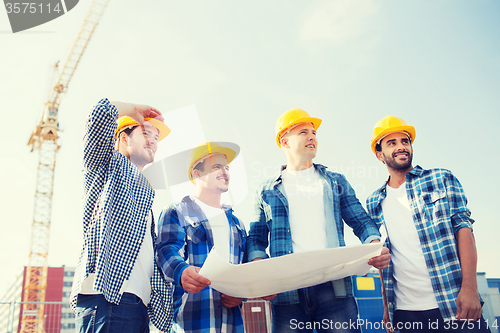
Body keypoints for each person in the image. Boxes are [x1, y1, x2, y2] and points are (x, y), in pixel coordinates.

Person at [246, 108, 391, 333]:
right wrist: (260, 269)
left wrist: (374, 244)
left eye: (314, 132)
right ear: (284, 141)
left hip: (334, 289)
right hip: (287, 293)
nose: (312, 136)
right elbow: (256, 238)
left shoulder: (335, 181)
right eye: (303, 132)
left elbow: (361, 221)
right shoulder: (266, 190)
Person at [366, 115, 490, 333]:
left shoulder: (441, 178)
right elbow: (384, 257)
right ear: (379, 154)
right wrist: (387, 307)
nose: (401, 147)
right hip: (406, 313)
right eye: (391, 143)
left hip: (455, 302)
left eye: (405, 141)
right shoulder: (375, 201)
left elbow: (464, 229)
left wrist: (470, 288)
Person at [70, 98, 173, 333]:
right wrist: (134, 111)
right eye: (147, 134)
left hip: (137, 305)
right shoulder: (104, 168)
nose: (154, 143)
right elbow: (98, 114)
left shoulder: (145, 191)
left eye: (156, 139)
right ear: (124, 139)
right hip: (107, 299)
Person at [156, 142, 247, 333]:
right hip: (191, 323)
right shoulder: (177, 212)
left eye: (227, 167)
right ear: (197, 173)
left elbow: (244, 270)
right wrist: (181, 271)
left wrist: (241, 294)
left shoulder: (236, 223)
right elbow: (167, 249)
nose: (225, 172)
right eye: (216, 167)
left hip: (233, 324)